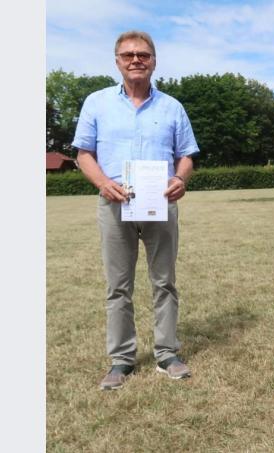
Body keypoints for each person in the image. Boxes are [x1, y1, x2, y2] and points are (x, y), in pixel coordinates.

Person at [72, 30, 200, 389]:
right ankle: (122, 359)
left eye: (143, 54)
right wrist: (103, 183)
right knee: (118, 286)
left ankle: (167, 353)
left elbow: (186, 155)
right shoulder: (96, 103)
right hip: (114, 204)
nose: (136, 60)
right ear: (117, 62)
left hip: (161, 204)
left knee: (165, 282)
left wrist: (181, 178)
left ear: (154, 61)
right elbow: (83, 154)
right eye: (128, 55)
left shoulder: (172, 107)